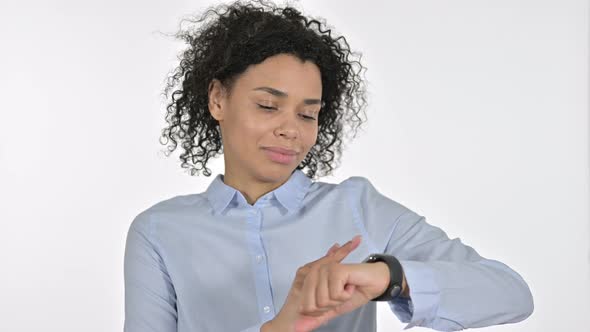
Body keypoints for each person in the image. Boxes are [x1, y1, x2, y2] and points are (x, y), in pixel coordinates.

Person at [123, 0, 534, 331]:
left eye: (308, 114)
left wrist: (386, 277)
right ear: (217, 99)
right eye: (268, 106)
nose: (291, 130)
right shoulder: (159, 231)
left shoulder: (359, 208)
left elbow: (510, 293)